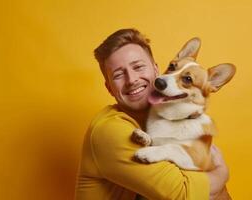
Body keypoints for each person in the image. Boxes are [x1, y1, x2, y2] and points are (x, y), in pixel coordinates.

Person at [75, 28, 230, 200]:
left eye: (138, 67)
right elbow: (183, 194)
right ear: (109, 87)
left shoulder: (163, 118)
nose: (132, 79)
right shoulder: (109, 131)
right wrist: (221, 173)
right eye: (118, 74)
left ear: (156, 70)